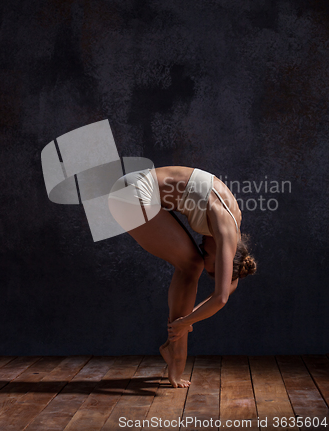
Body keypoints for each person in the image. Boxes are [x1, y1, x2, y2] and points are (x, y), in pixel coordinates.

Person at [108, 166, 256, 388]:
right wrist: (185, 322)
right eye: (210, 263)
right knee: (191, 264)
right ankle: (177, 354)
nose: (202, 248)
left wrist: (187, 320)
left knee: (192, 263)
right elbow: (221, 298)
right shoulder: (225, 231)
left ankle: (174, 348)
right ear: (221, 258)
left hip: (132, 188)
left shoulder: (232, 233)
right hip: (132, 193)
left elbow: (230, 285)